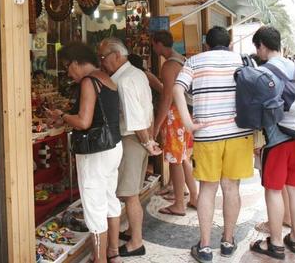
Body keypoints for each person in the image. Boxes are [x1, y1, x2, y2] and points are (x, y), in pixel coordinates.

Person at [173, 26, 253, 262]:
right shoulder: (243, 60)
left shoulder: (194, 61)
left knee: (208, 189)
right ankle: (228, 242)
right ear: (229, 43)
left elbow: (178, 89)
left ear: (206, 43)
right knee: (232, 188)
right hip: (239, 133)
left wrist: (188, 123)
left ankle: (205, 247)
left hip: (207, 134)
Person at [46, 42, 123, 263]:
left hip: (95, 153)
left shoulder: (88, 82)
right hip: (113, 147)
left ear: (77, 62)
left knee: (94, 207)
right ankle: (113, 252)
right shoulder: (106, 78)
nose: (68, 72)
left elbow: (83, 121)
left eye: (67, 67)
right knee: (109, 199)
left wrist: (62, 116)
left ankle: (99, 260)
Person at [249, 26, 295, 259]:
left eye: (257, 47)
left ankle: (275, 243)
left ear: (262, 46)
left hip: (276, 140)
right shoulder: (292, 66)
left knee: (273, 190)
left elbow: (257, 109)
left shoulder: (263, 72)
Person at [98, 37, 154, 258]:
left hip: (132, 140)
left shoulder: (124, 80)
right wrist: (148, 139)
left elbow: (135, 118)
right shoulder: (136, 74)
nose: (102, 62)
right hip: (139, 139)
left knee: (129, 194)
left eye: (104, 57)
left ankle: (136, 243)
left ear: (117, 56)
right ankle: (132, 230)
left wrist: (147, 141)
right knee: (134, 192)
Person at [151, 30, 198, 216]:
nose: (153, 48)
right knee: (183, 156)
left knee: (174, 160)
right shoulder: (181, 59)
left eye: (153, 45)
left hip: (175, 116)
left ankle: (179, 204)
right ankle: (193, 196)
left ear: (159, 44)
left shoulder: (169, 66)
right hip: (185, 114)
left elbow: (166, 98)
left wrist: (155, 127)